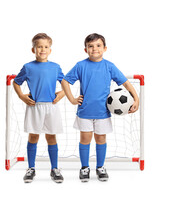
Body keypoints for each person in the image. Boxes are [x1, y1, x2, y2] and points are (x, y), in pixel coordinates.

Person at [61, 33, 139, 182]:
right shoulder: (80, 65)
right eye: (90, 46)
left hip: (103, 112)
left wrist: (136, 99)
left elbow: (126, 83)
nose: (94, 49)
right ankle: (84, 168)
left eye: (98, 46)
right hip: (85, 111)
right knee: (85, 138)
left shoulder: (109, 66)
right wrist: (71, 99)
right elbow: (65, 81)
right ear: (85, 50)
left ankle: (100, 167)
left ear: (104, 48)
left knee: (101, 138)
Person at [13, 33, 65, 183]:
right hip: (34, 107)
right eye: (39, 46)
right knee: (33, 136)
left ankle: (54, 168)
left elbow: (66, 83)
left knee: (51, 137)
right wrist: (22, 96)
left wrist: (61, 94)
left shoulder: (55, 67)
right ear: (33, 49)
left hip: (51, 107)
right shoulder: (28, 67)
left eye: (46, 47)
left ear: (50, 50)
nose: (43, 49)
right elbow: (16, 82)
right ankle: (31, 168)